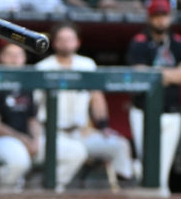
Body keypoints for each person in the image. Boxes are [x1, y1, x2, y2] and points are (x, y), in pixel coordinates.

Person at [0, 42, 87, 192]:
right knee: (19, 160)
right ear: (1, 57)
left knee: (76, 151)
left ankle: (46, 192)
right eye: (10, 55)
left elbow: (32, 119)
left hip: (26, 141)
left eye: (19, 55)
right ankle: (4, 195)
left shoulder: (26, 84)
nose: (15, 60)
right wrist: (24, 140)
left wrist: (35, 139)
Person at [35, 24, 136, 185]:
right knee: (77, 152)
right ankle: (49, 188)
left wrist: (103, 126)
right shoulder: (43, 67)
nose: (66, 43)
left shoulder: (87, 65)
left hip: (81, 132)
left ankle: (124, 189)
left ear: (78, 42)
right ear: (54, 43)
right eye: (61, 39)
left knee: (119, 145)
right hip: (52, 134)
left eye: (70, 39)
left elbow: (97, 98)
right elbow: (34, 106)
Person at [126, 0, 181, 197]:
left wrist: (157, 75)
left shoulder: (179, 42)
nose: (160, 20)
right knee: (148, 162)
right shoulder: (139, 41)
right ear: (149, 17)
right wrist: (172, 74)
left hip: (171, 111)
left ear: (170, 17)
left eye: (164, 15)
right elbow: (140, 73)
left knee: (163, 168)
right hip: (143, 111)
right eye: (156, 16)